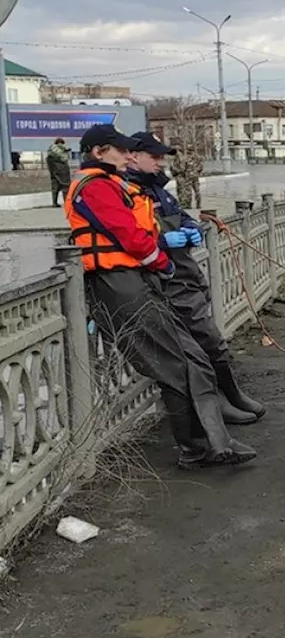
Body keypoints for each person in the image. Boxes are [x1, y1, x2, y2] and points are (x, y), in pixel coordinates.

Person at [63, 125, 255, 469]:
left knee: (192, 356)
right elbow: (130, 234)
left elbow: (141, 231)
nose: (127, 156)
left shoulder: (113, 185)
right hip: (117, 283)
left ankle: (216, 441)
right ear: (99, 152)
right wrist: (162, 260)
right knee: (174, 364)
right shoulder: (94, 188)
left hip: (135, 279)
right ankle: (197, 448)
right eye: (119, 150)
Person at [125, 131, 266, 426]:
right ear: (133, 156)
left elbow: (180, 215)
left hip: (184, 275)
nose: (160, 162)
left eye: (162, 156)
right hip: (163, 281)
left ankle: (230, 394)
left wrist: (192, 228)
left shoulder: (158, 190)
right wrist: (164, 241)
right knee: (200, 346)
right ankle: (217, 404)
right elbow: (130, 238)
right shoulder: (127, 192)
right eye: (154, 156)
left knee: (209, 342)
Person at [170, 141, 203, 209]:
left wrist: (174, 169)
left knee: (188, 191)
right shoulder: (198, 157)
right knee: (197, 190)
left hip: (188, 177)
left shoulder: (185, 158)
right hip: (195, 177)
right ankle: (198, 204)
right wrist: (197, 173)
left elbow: (183, 168)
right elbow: (201, 167)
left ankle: (188, 205)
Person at [46, 138, 73, 207]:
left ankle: (54, 203)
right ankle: (66, 202)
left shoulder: (50, 151)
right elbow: (64, 159)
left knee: (55, 187)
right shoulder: (61, 151)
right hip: (62, 171)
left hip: (53, 171)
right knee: (65, 187)